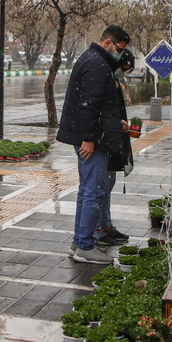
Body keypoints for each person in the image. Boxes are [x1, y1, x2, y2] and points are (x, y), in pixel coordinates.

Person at [56, 25, 131, 264]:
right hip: (94, 141)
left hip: (94, 137)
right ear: (108, 43)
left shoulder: (95, 61)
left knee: (87, 190)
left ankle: (79, 242)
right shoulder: (97, 64)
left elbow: (99, 104)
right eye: (119, 49)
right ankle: (85, 246)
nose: (119, 55)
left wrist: (114, 121)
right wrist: (88, 138)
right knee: (93, 191)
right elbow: (88, 104)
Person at [95, 48, 136, 246]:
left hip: (113, 136)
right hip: (104, 139)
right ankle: (96, 229)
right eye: (123, 68)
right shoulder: (104, 78)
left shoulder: (114, 80)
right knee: (99, 186)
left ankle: (106, 225)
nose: (124, 73)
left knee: (108, 184)